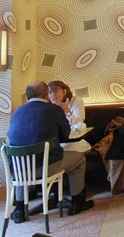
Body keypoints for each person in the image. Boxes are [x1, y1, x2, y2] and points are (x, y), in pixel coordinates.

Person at [7, 81, 94, 221]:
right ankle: (77, 202)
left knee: (23, 165)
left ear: (27, 96)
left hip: (16, 169)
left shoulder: (17, 112)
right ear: (47, 95)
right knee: (79, 159)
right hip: (45, 166)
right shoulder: (54, 110)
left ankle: (19, 209)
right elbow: (65, 135)